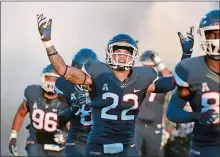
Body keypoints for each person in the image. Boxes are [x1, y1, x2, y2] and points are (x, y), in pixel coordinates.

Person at [36, 14, 176, 156]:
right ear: (109, 54)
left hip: (126, 146)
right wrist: (48, 43)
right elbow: (62, 70)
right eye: (118, 51)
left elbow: (172, 82)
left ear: (133, 56)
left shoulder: (141, 80)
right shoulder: (97, 77)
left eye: (126, 52)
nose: (122, 55)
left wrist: (186, 55)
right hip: (98, 146)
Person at [166, 10, 220, 157]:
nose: (216, 40)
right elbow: (172, 112)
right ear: (203, 36)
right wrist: (197, 116)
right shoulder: (191, 70)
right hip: (206, 145)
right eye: (211, 35)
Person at [135, 27, 194, 157]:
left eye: (150, 66)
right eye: (145, 66)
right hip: (137, 125)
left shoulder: (160, 81)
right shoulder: (137, 81)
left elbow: (177, 78)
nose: (147, 69)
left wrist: (185, 55)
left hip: (155, 127)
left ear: (155, 67)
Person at [8, 64, 69, 156]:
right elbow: (21, 113)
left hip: (59, 145)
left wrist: (68, 137)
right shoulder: (33, 94)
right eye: (48, 78)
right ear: (43, 78)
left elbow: (72, 126)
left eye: (55, 79)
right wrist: (13, 135)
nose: (51, 82)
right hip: (36, 142)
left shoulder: (66, 101)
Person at [55, 48, 98, 157]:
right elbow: (58, 118)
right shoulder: (65, 85)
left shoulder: (103, 86)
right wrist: (75, 107)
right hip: (76, 138)